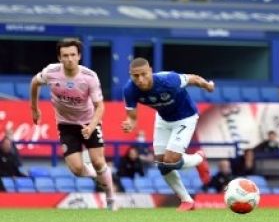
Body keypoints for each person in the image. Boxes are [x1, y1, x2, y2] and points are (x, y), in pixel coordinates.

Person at [30, 38, 117, 210]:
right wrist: (34, 108)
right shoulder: (51, 72)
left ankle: (111, 199)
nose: (69, 59)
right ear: (59, 57)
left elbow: (100, 106)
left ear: (79, 56)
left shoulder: (89, 77)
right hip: (66, 124)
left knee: (98, 161)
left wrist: (92, 126)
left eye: (72, 55)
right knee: (77, 170)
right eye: (65, 55)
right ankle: (93, 174)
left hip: (88, 122)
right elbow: (35, 82)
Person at [121, 57, 214, 211]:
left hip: (185, 117)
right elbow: (132, 117)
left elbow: (193, 79)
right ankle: (187, 201)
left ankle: (199, 158)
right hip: (163, 119)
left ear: (150, 70)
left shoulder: (168, 80)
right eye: (135, 76)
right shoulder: (129, 90)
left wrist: (207, 86)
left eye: (143, 74)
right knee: (162, 165)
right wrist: (129, 124)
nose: (140, 79)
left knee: (171, 160)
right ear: (130, 75)